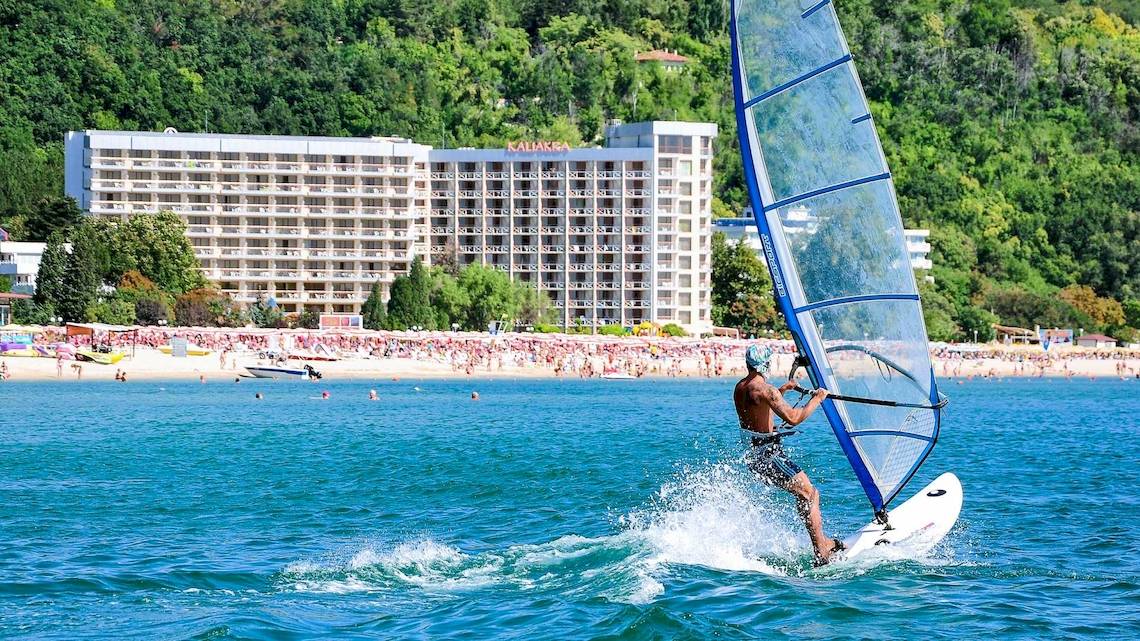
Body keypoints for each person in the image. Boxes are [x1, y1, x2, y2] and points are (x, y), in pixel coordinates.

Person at [734, 345, 842, 566]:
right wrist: (818, 399)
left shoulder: (741, 387)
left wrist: (783, 391)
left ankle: (822, 544)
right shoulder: (766, 390)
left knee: (804, 493)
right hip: (769, 455)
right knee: (809, 494)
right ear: (766, 363)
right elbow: (793, 417)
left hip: (754, 456)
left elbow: (759, 409)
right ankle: (822, 550)